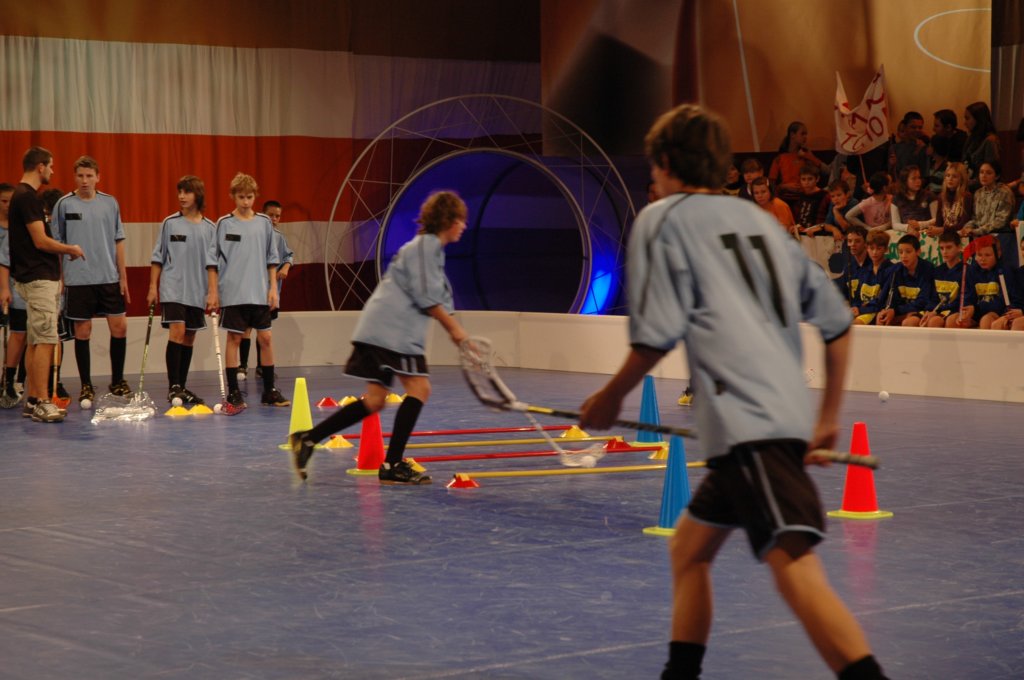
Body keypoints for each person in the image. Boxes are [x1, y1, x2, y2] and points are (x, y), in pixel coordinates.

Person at [577, 104, 888, 680]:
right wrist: (825, 418)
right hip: (761, 428)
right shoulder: (763, 224)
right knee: (688, 550)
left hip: (751, 430)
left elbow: (655, 335)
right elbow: (837, 323)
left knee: (794, 568)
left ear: (666, 164)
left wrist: (610, 397)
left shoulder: (662, 219)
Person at [288, 190, 470, 485]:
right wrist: (456, 331)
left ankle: (308, 438)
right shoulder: (426, 248)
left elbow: (434, 295)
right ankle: (393, 464)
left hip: (379, 328)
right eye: (460, 219)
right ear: (448, 220)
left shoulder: (427, 249)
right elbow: (426, 296)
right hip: (394, 332)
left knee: (374, 401)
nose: (464, 225)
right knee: (420, 389)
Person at [0, 147, 84, 422]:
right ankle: (42, 401)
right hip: (38, 279)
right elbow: (40, 240)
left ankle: (33, 400)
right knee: (46, 339)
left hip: (31, 278)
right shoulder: (27, 197)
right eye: (50, 166)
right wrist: (69, 248)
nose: (52, 171)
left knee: (36, 340)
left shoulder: (21, 197)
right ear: (40, 167)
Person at [52, 155, 132, 404]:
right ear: (74, 177)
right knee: (83, 332)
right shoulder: (63, 204)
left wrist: (123, 277)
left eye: (89, 176)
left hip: (108, 278)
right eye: (80, 176)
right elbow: (57, 245)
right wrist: (61, 279)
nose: (85, 180)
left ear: (98, 177)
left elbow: (119, 241)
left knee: (119, 328)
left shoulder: (110, 203)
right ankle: (86, 385)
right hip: (78, 280)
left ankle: (117, 381)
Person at [207, 172, 288, 408]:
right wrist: (213, 292)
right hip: (233, 293)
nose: (245, 201)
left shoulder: (264, 223)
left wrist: (273, 289)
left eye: (249, 197)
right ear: (233, 196)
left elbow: (272, 259)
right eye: (241, 197)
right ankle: (234, 392)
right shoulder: (224, 224)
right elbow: (211, 262)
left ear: (255, 197)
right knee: (234, 338)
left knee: (266, 338)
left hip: (259, 293)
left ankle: (269, 390)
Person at [148, 176, 217, 405]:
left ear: (197, 195)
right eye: (179, 192)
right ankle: (173, 387)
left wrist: (213, 292)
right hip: (173, 288)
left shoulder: (210, 228)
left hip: (197, 292)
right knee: (177, 332)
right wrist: (153, 287)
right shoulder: (170, 223)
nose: (181, 196)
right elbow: (158, 257)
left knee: (189, 337)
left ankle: (182, 386)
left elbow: (213, 264)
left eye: (186, 192)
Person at [238, 199, 293, 380]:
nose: (274, 219)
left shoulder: (279, 237)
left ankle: (261, 366)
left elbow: (288, 255)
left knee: (264, 331)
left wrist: (286, 267)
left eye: (278, 216)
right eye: (271, 215)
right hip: (250, 290)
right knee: (246, 328)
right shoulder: (252, 233)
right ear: (262, 214)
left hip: (269, 292)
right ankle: (242, 365)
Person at [0, 182, 28, 406]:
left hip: (17, 291)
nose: (8, 206)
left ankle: (16, 381)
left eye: (12, 201)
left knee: (21, 334)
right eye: (4, 201)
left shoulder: (22, 227)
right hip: (5, 288)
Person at [961, 160, 1017, 270]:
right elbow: (975, 218)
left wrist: (977, 231)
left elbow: (1001, 221)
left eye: (988, 173)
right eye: (981, 172)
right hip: (981, 238)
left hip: (1000, 238)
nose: (984, 176)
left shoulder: (1005, 192)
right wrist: (967, 228)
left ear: (997, 176)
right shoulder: (978, 193)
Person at [875, 234, 936, 327]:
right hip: (902, 311)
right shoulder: (895, 270)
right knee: (881, 319)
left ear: (918, 252)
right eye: (900, 252)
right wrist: (886, 310)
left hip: (922, 311)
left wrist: (896, 311)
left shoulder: (927, 269)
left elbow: (923, 301)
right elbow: (889, 298)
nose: (903, 256)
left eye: (908, 252)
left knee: (908, 322)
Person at [959, 239, 1020, 329]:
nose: (982, 259)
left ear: (998, 254)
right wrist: (966, 312)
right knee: (956, 321)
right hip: (977, 312)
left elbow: (1003, 302)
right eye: (979, 255)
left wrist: (976, 308)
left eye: (987, 255)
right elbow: (968, 297)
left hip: (998, 312)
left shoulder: (1006, 271)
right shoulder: (971, 271)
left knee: (986, 320)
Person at [768, 121, 827, 191]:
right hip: (785, 194)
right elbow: (771, 183)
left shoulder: (806, 155)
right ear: (792, 135)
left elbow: (825, 172)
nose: (805, 137)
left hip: (805, 194)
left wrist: (809, 156)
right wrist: (783, 186)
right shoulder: (779, 158)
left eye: (806, 134)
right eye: (802, 134)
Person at [852, 231, 895, 325]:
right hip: (863, 310)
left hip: (878, 311)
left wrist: (861, 310)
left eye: (878, 248)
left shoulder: (891, 270)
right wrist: (855, 307)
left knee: (854, 324)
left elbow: (883, 300)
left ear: (885, 249)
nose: (874, 252)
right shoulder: (864, 270)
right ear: (866, 248)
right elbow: (857, 296)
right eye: (871, 248)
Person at [924, 231, 964, 328]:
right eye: (942, 248)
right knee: (925, 320)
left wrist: (937, 311)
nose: (944, 252)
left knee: (938, 321)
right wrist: (930, 311)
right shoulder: (937, 271)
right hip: (939, 310)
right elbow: (932, 297)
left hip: (955, 310)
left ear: (959, 247)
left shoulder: (966, 270)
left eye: (949, 247)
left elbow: (961, 301)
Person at [921, 162, 973, 237]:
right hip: (944, 236)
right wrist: (933, 230)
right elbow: (939, 223)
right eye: (948, 175)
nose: (950, 179)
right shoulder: (941, 197)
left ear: (961, 179)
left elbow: (964, 224)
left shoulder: (966, 197)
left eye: (954, 176)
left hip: (960, 237)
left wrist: (942, 230)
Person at [890, 165, 936, 236]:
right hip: (906, 233)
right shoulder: (897, 198)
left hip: (926, 233)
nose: (918, 181)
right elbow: (895, 224)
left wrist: (920, 224)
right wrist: (907, 227)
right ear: (905, 181)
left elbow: (936, 219)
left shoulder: (929, 196)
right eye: (914, 178)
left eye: (919, 178)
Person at [962, 101, 1000, 186]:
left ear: (978, 119)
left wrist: (968, 183)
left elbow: (990, 171)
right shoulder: (971, 138)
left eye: (967, 118)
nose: (965, 123)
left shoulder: (990, 140)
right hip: (967, 185)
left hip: (981, 187)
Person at [786, 165, 830, 235]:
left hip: (820, 234)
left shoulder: (826, 196)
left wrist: (821, 227)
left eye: (810, 179)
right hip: (801, 234)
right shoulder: (798, 196)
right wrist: (794, 227)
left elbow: (830, 219)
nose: (806, 182)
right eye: (803, 179)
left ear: (817, 179)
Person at [888, 111, 929, 177]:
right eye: (913, 127)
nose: (917, 130)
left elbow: (924, 176)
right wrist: (891, 166)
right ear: (905, 127)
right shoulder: (894, 148)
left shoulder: (923, 148)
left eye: (920, 127)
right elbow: (890, 174)